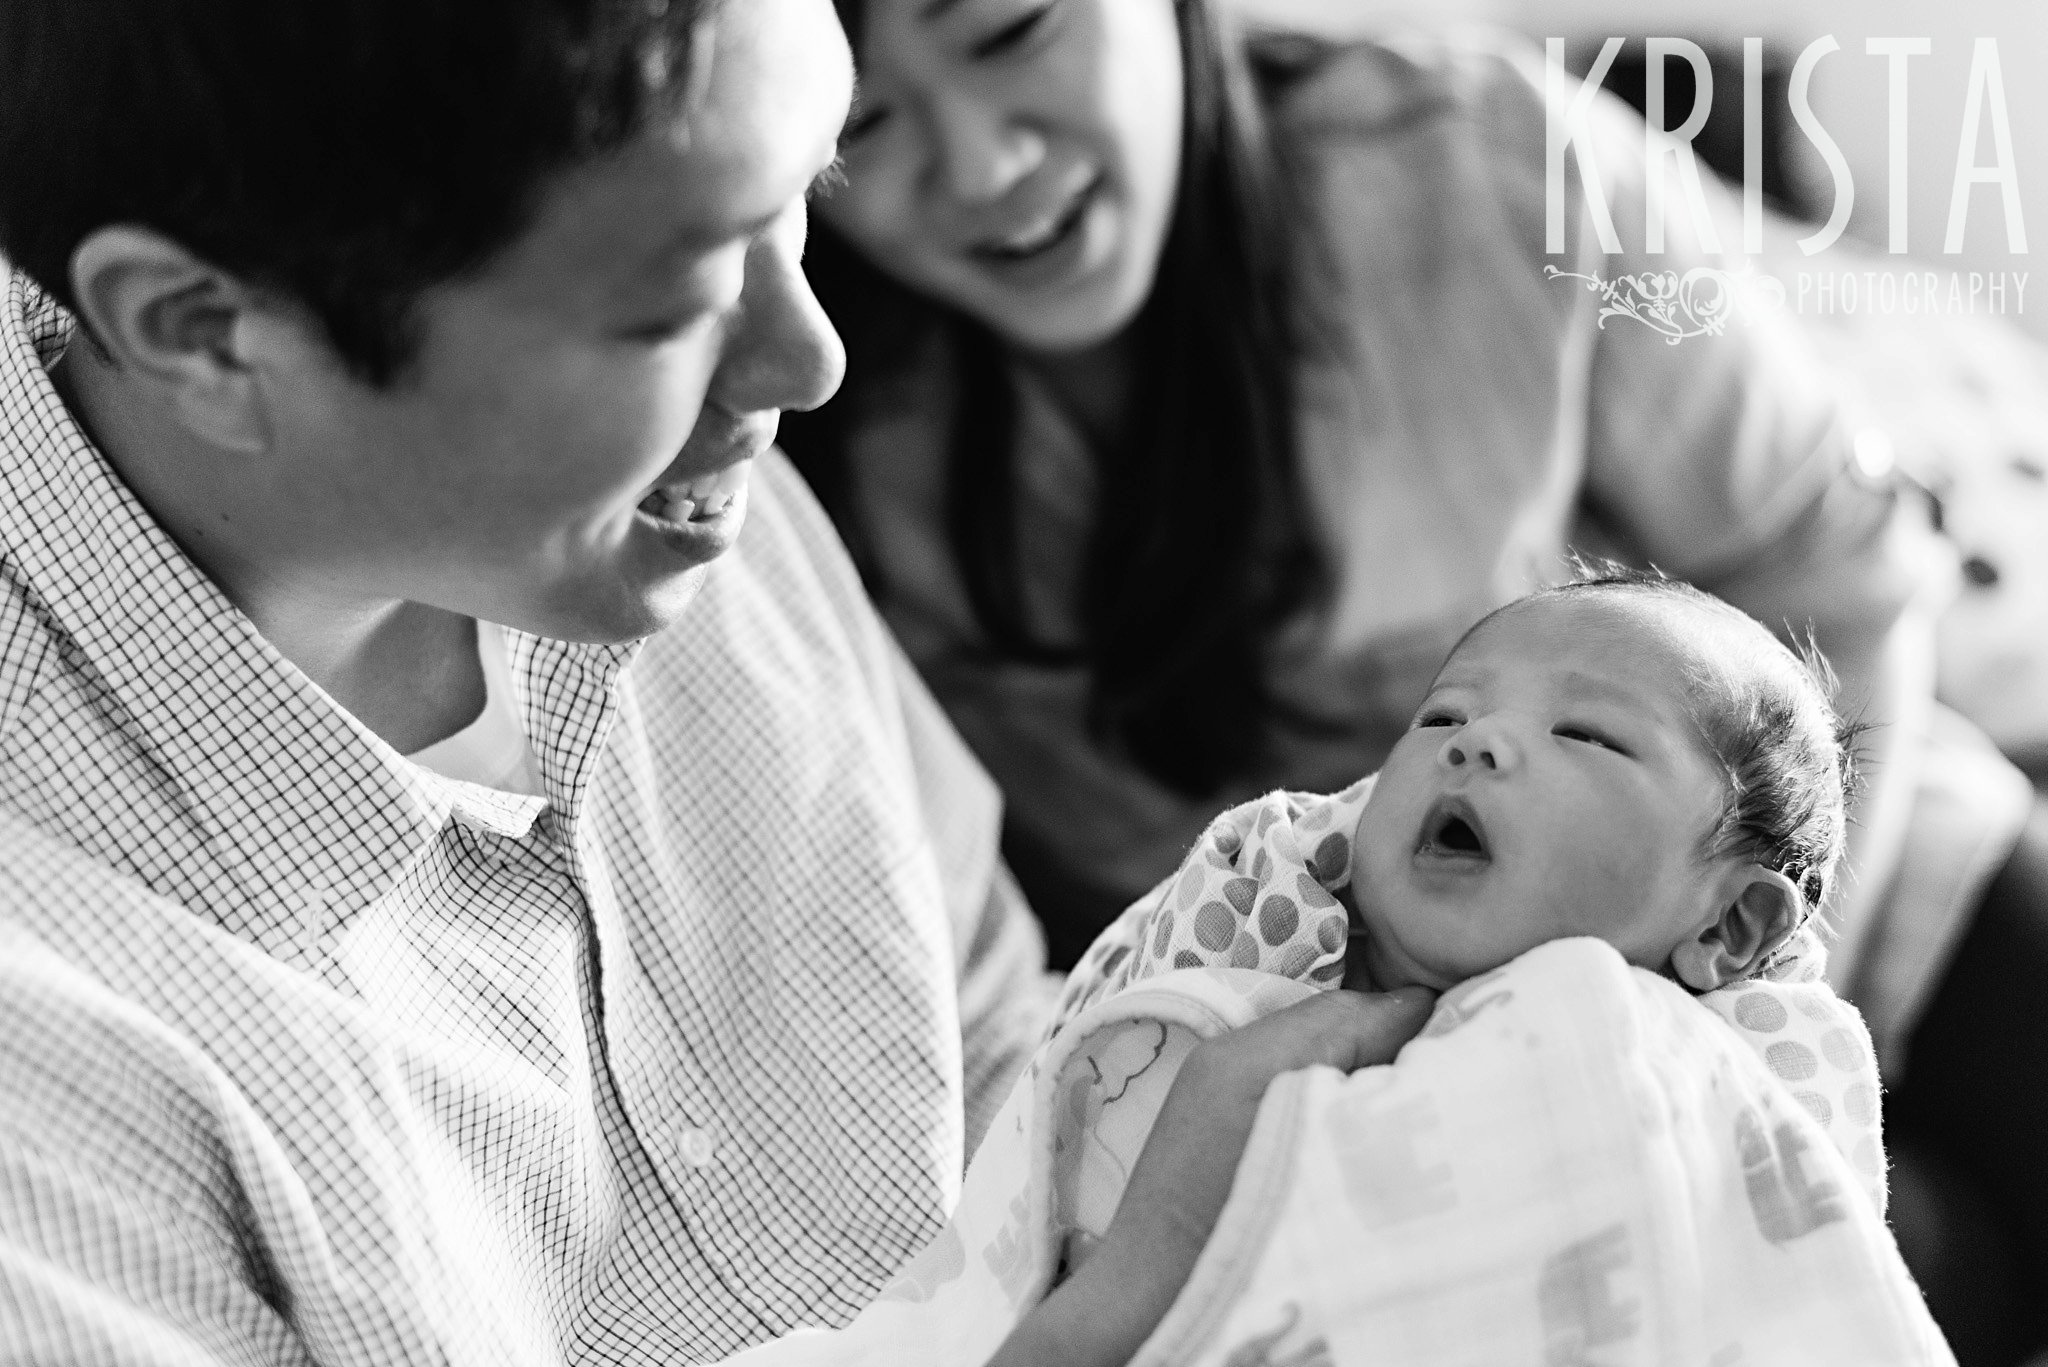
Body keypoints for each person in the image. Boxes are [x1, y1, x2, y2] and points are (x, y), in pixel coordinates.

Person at [0, 3, 1441, 1365]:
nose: (804, 360)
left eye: (807, 192)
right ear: (204, 332)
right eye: (678, 301)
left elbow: (1011, 1039)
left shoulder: (661, 509)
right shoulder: (53, 1062)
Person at [780, 1, 2046, 1356]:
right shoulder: (800, 419)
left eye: (1012, 31)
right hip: (1390, 1091)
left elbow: (1840, 575)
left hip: (1847, 889)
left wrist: (1756, 1026)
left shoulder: (1485, 154)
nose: (982, 164)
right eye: (863, 121)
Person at [1061, 571, 1858, 1015]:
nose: (1474, 740)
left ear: (1729, 924)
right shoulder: (1258, 981)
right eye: (1443, 714)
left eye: (1585, 734)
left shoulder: (1710, 1097)